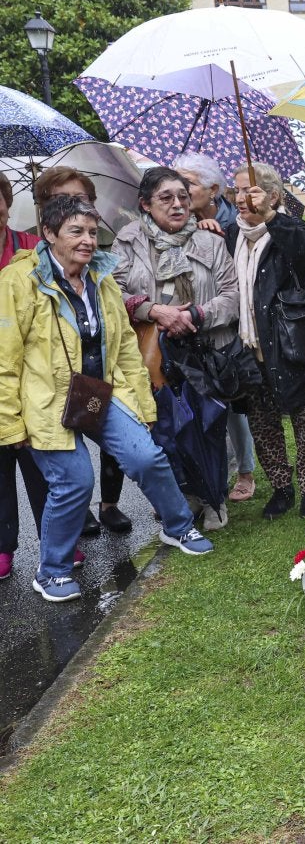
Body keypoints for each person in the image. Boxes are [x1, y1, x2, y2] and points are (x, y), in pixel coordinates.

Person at [0, 196, 214, 602]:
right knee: (74, 481)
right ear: (48, 234)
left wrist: (144, 406)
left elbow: (126, 350)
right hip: (46, 400)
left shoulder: (102, 277)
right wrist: (9, 422)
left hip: (99, 393)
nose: (87, 241)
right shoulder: (17, 282)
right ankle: (53, 572)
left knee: (147, 456)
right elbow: (4, 357)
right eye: (75, 231)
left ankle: (177, 525)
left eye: (92, 232)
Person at [113, 167, 240, 531]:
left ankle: (215, 499)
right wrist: (153, 310)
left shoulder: (210, 240)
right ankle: (185, 493)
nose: (177, 204)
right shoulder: (128, 241)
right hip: (153, 353)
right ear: (145, 204)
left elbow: (231, 296)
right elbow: (111, 291)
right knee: (165, 427)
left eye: (183, 196)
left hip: (204, 347)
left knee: (208, 424)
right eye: (165, 198)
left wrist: (198, 314)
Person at [228, 163, 305, 520]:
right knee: (263, 423)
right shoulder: (232, 235)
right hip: (250, 347)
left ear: (272, 195)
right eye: (236, 190)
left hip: (293, 344)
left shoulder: (293, 228)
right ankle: (282, 488)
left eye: (249, 191)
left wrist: (271, 215)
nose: (241, 198)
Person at [35, 167, 131, 538]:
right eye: (64, 199)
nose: (76, 206)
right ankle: (80, 510)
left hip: (99, 362)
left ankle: (109, 504)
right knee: (68, 450)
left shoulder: (97, 243)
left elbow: (115, 289)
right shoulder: (37, 255)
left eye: (82, 199)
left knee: (113, 436)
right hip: (57, 370)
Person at [172, 152, 256, 501]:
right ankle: (211, 474)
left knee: (234, 398)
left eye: (188, 183)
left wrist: (218, 235)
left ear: (214, 189)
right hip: (194, 326)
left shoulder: (233, 222)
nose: (181, 191)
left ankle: (246, 472)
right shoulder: (178, 221)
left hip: (231, 322)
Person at [0, 174, 48, 581]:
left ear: (7, 202)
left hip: (30, 370)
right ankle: (2, 546)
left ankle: (57, 539)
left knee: (40, 460)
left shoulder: (32, 248)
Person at [172, 152, 240, 235]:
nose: (180, 189)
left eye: (188, 183)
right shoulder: (173, 216)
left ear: (213, 190)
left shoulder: (237, 222)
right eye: (178, 182)